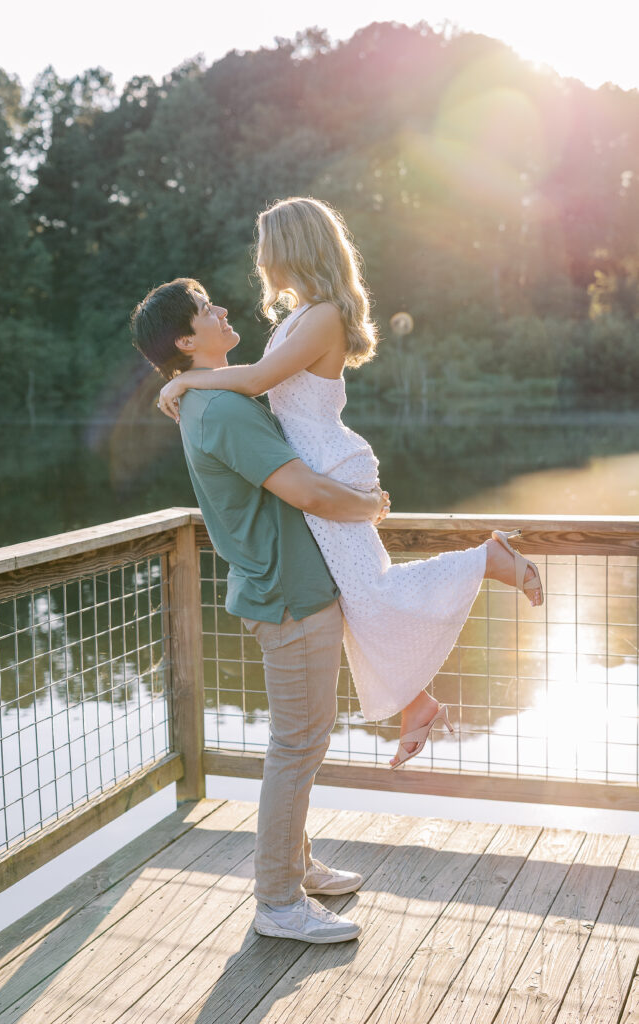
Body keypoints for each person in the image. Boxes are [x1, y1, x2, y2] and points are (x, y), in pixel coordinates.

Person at [156, 196, 545, 770]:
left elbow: (261, 380)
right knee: (357, 597)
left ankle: (487, 559)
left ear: (292, 246)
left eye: (266, 245)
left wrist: (187, 383)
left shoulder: (324, 316)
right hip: (315, 461)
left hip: (327, 465)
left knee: (372, 591)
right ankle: (416, 703)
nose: (260, 259)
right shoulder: (303, 313)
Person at [131, 276, 391, 944]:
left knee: (301, 741)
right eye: (207, 310)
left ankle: (295, 866)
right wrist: (369, 505)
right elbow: (303, 488)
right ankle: (277, 902)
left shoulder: (216, 395)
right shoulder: (221, 411)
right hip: (285, 597)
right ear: (187, 340)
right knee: (296, 747)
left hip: (288, 590)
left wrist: (184, 381)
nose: (223, 310)